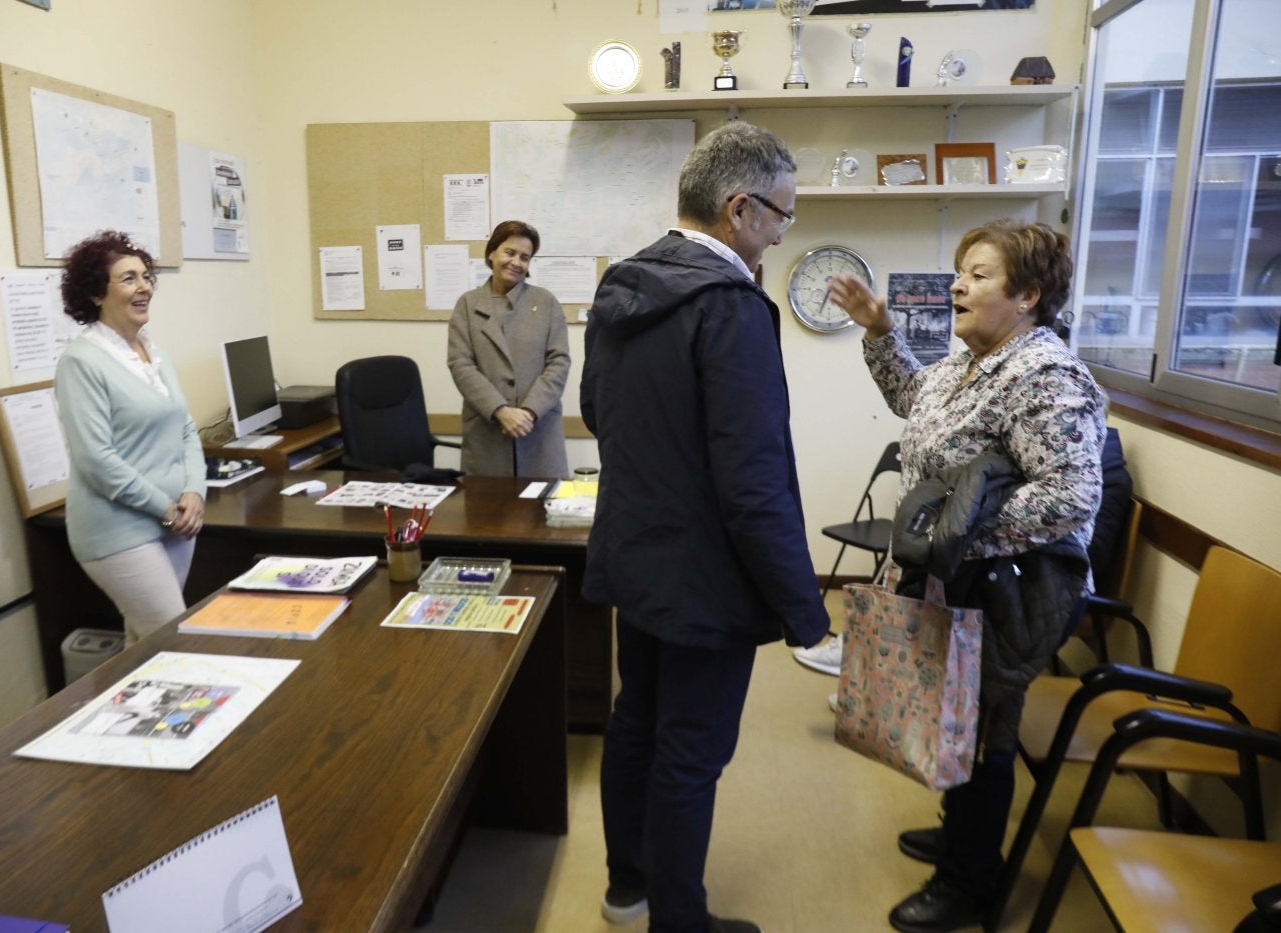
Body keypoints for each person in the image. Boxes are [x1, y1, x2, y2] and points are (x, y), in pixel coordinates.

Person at [581, 121, 831, 933]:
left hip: (635, 552)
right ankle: (678, 923)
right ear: (739, 209)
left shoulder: (621, 285)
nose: (785, 232)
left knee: (636, 724)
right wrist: (806, 609)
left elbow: (597, 413)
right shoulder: (730, 306)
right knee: (689, 753)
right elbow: (754, 482)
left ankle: (628, 891)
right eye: (783, 217)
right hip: (704, 577)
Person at [827, 218, 1106, 933]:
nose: (958, 284)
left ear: (1029, 295)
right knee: (954, 710)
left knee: (984, 731)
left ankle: (969, 880)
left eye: (979, 275)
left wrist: (963, 528)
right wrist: (878, 331)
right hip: (962, 579)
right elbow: (912, 404)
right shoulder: (969, 364)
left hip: (1011, 585)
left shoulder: (1045, 372)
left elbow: (1073, 494)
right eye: (961, 271)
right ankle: (960, 834)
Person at [54, 230, 207, 645]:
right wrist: (166, 508)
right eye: (128, 279)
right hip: (118, 529)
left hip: (175, 521)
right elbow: (96, 460)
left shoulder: (153, 353)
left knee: (144, 643)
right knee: (175, 639)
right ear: (95, 294)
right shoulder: (81, 363)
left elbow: (187, 428)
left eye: (145, 276)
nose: (144, 287)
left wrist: (195, 491)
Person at [447, 220, 570, 477]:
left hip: (538, 431)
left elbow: (559, 362)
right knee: (488, 514)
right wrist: (501, 411)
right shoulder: (467, 305)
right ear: (491, 253)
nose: (517, 262)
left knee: (541, 513)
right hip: (488, 432)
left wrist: (528, 413)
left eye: (525, 258)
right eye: (509, 252)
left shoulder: (545, 302)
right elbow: (461, 364)